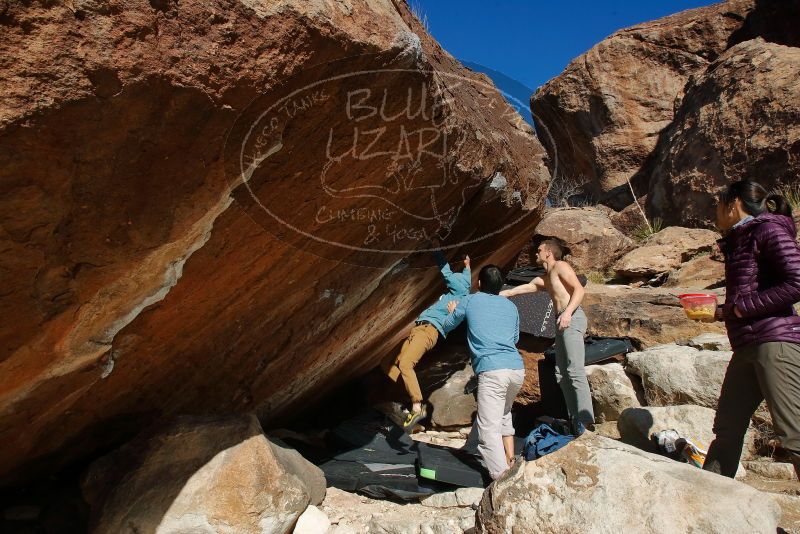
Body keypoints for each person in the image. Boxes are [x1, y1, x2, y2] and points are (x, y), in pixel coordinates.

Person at [703, 179, 800, 480]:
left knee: (793, 433)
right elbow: (751, 293)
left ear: (732, 205)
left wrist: (742, 308)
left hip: (775, 342)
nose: (715, 214)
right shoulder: (740, 238)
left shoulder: (767, 230)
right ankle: (712, 502)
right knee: (727, 430)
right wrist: (723, 311)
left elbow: (796, 282)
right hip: (746, 345)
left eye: (717, 206)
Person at [499, 239, 594, 433]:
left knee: (574, 370)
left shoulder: (560, 266)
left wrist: (567, 313)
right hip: (561, 321)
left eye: (539, 250)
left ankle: (586, 421)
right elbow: (525, 288)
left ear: (549, 252)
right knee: (560, 373)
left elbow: (579, 289)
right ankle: (574, 420)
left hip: (572, 318)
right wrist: (504, 294)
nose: (536, 253)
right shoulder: (546, 277)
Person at [441, 265, 524, 480]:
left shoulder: (471, 300)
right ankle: (510, 460)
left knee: (487, 431)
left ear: (478, 284)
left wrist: (452, 311)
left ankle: (502, 480)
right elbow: (514, 339)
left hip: (493, 369)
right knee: (504, 414)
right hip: (516, 369)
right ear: (500, 286)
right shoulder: (510, 306)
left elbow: (448, 325)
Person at [382, 251, 471, 431]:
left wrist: (437, 250)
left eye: (458, 276)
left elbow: (445, 272)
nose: (453, 278)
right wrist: (467, 266)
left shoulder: (460, 290)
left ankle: (416, 405)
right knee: (389, 364)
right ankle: (401, 397)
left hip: (428, 331)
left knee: (406, 364)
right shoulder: (459, 293)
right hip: (419, 329)